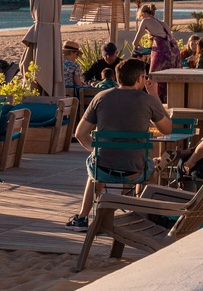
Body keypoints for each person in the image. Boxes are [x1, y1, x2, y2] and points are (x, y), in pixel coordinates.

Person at [67, 58, 170, 229]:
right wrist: (154, 95)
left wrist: (95, 150)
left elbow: (79, 133)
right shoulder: (148, 100)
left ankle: (83, 217)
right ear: (139, 79)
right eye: (144, 77)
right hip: (135, 170)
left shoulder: (101, 97)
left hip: (104, 169)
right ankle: (142, 213)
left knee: (96, 166)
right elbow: (167, 129)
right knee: (150, 170)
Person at [131, 4, 181, 100]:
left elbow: (135, 42)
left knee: (155, 76)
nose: (141, 18)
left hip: (162, 51)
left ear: (144, 13)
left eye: (141, 16)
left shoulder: (146, 21)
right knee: (168, 77)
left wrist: (139, 47)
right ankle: (169, 98)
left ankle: (156, 99)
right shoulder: (162, 23)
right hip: (173, 51)